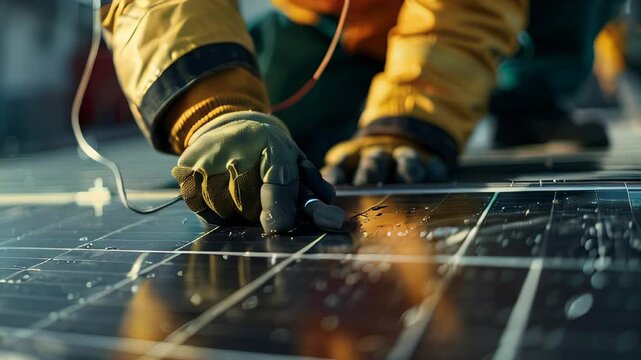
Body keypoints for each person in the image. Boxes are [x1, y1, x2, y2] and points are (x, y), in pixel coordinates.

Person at [99, 0, 529, 233]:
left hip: (468, 22)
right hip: (323, 29)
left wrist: (411, 116)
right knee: (261, 133)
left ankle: (532, 93)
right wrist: (214, 109)